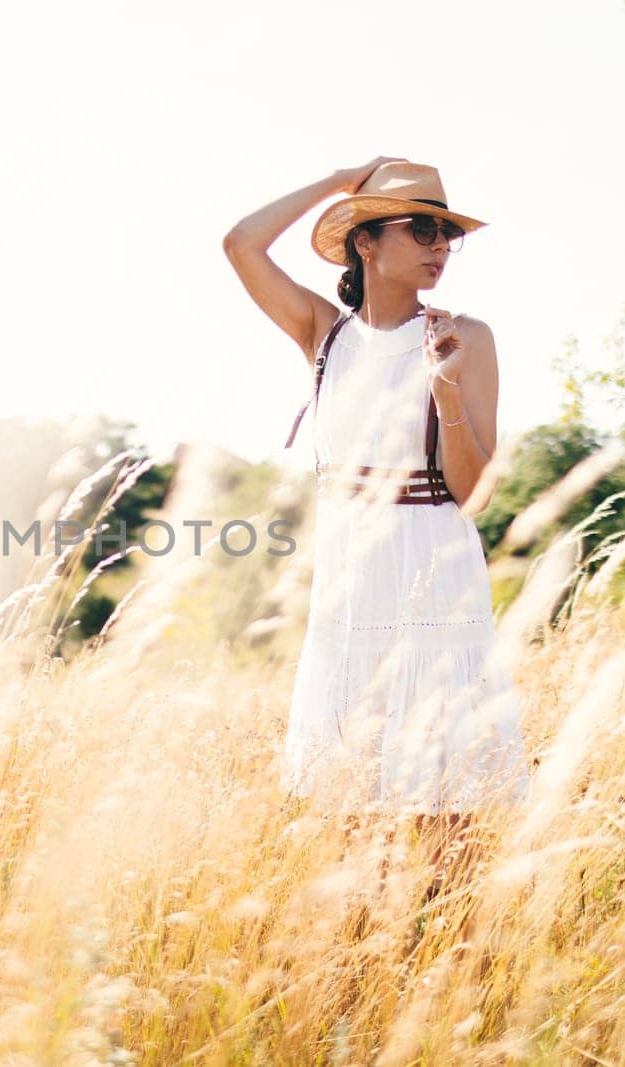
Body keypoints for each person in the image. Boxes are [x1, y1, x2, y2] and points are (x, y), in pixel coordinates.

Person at [222, 158, 532, 909]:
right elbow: (240, 244)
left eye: (447, 233)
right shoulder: (323, 335)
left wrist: (447, 388)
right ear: (365, 241)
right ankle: (366, 982)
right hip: (352, 580)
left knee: (446, 810)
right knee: (355, 807)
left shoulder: (468, 336)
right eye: (420, 227)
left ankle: (458, 976)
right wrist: (336, 183)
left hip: (434, 566)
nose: (439, 245)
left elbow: (472, 491)